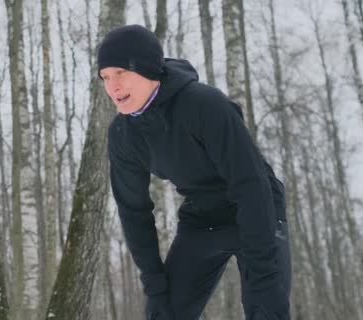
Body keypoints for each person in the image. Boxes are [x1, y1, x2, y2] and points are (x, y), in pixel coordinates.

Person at [99, 24, 291, 320]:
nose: (112, 86)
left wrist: (264, 273)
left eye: (121, 72)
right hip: (204, 219)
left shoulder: (205, 105)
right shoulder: (124, 135)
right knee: (164, 313)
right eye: (105, 77)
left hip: (257, 211)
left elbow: (250, 185)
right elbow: (133, 212)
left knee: (267, 308)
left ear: (149, 69)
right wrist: (156, 287)